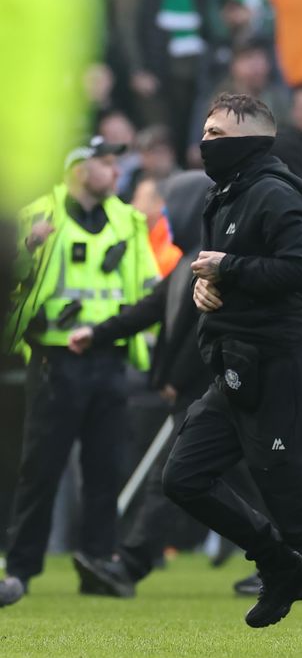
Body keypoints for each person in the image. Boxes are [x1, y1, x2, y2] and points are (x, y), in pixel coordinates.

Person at [157, 93, 302, 658]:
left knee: (301, 512)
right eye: (206, 132)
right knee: (184, 477)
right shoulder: (230, 193)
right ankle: (280, 567)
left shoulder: (273, 191)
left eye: (217, 134)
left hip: (281, 369)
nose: (205, 143)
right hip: (237, 367)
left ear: (251, 139)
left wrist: (228, 268)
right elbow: (236, 273)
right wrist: (208, 287)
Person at [0, 137, 158, 608]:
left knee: (105, 467)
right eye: (104, 163)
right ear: (76, 169)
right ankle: (22, 569)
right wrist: (29, 247)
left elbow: (147, 284)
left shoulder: (128, 221)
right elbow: (14, 280)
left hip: (108, 358)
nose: (115, 171)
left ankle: (96, 564)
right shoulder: (38, 215)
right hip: (54, 359)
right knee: (41, 468)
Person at [64, 171, 213, 596]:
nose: (163, 215)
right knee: (237, 482)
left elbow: (201, 333)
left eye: (170, 206)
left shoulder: (206, 263)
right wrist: (97, 334)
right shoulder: (188, 263)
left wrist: (172, 379)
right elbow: (148, 310)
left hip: (207, 393)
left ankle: (128, 565)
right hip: (198, 394)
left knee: (174, 477)